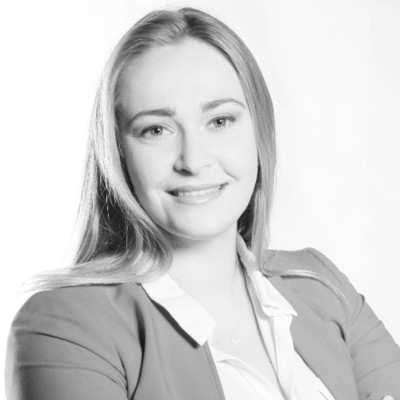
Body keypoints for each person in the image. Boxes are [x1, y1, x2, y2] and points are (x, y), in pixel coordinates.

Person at [5, 7, 400, 400]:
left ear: (259, 129)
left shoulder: (321, 284)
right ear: (117, 151)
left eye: (220, 121)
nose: (193, 161)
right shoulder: (65, 328)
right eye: (155, 129)